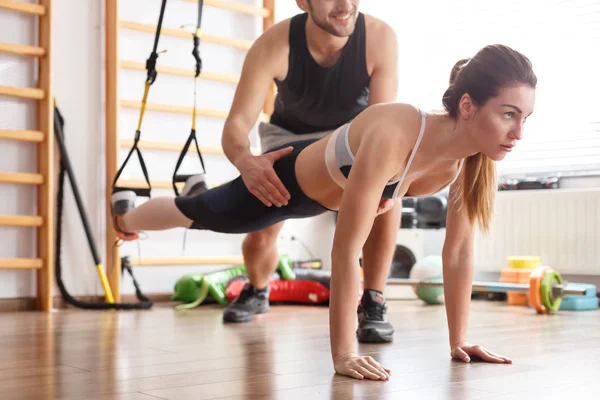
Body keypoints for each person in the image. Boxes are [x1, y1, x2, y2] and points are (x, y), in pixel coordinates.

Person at [111, 43, 537, 381]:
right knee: (200, 213)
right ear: (468, 106)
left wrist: (459, 341)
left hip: (325, 194)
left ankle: (185, 195)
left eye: (525, 118)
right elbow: (345, 248)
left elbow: (459, 252)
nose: (518, 133)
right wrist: (344, 354)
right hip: (287, 185)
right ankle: (124, 217)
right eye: (508, 115)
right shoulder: (396, 130)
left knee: (206, 209)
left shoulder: (473, 161)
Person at [213, 0, 401, 341]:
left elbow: (382, 123)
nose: (345, 5)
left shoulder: (379, 38)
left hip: (351, 136)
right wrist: (247, 163)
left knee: (390, 198)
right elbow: (237, 125)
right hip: (289, 140)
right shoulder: (274, 43)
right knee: (261, 232)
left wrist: (383, 182)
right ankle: (257, 289)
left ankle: (373, 300)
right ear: (303, 1)